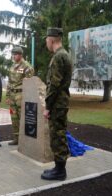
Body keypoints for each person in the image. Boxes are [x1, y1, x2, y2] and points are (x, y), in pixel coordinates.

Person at [41, 27, 73, 181]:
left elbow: (54, 85)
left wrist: (47, 107)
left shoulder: (58, 57)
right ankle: (58, 167)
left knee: (57, 135)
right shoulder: (63, 55)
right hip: (61, 102)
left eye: (47, 39)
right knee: (58, 133)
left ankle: (60, 171)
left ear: (52, 40)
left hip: (57, 104)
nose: (46, 42)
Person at [6, 47, 34, 145]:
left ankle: (25, 139)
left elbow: (30, 82)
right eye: (13, 54)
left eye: (16, 54)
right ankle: (17, 138)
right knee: (14, 117)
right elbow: (9, 82)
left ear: (21, 55)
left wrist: (28, 96)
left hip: (21, 95)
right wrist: (8, 96)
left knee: (23, 117)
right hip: (13, 96)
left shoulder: (27, 67)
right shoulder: (13, 66)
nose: (14, 56)